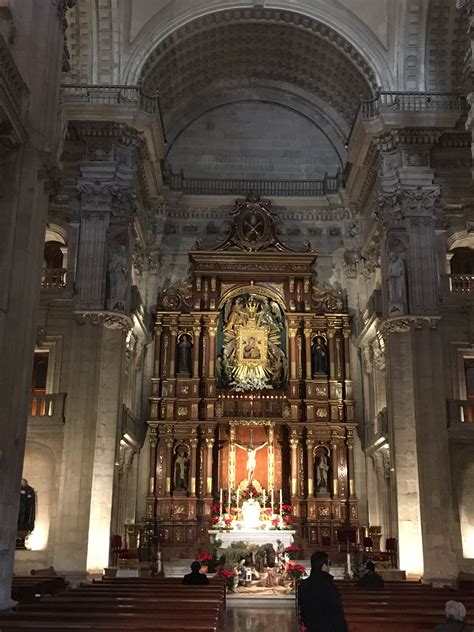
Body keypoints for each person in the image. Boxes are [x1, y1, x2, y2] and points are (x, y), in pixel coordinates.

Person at [298, 551, 348, 632]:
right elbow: (337, 613)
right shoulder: (329, 585)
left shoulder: (303, 585)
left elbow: (302, 613)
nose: (329, 567)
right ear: (324, 566)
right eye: (329, 564)